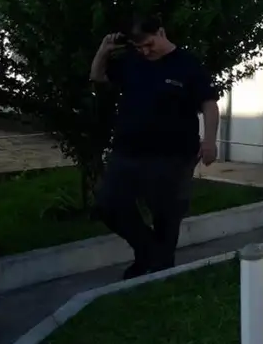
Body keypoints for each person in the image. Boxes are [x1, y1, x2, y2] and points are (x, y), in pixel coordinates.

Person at [89, 15, 220, 279]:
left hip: (173, 154)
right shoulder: (132, 62)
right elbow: (97, 78)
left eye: (149, 44)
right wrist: (103, 51)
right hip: (128, 150)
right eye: (140, 48)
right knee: (108, 203)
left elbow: (209, 104)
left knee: (166, 213)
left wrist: (209, 141)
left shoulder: (187, 64)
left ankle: (160, 270)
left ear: (161, 32)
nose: (146, 52)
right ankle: (148, 252)